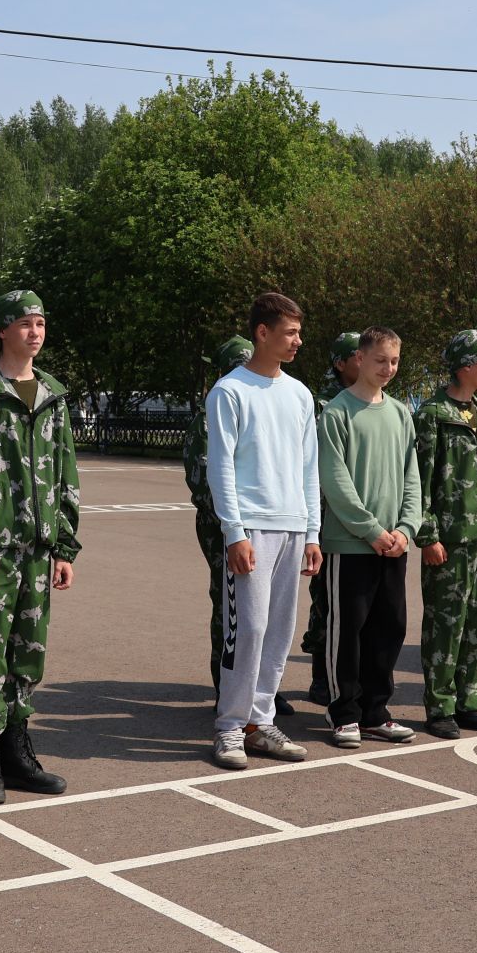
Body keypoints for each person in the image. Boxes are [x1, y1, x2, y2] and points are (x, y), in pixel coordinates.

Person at [0, 290, 81, 800]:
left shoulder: (53, 394)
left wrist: (65, 547)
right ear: (1, 330)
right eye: (24, 323)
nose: (35, 331)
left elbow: (66, 470)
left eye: (41, 322)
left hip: (37, 548)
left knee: (28, 652)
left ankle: (17, 751)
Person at [205, 297, 319, 770]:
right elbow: (221, 468)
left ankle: (260, 722)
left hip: (292, 526)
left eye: (298, 332)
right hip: (251, 526)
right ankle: (230, 728)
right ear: (262, 333)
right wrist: (234, 532)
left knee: (277, 632)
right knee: (246, 631)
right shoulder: (230, 392)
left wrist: (312, 530)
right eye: (289, 332)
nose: (296, 341)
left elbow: (308, 467)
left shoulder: (300, 394)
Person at [318, 326, 422, 747]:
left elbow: (411, 477)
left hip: (393, 545)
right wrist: (372, 530)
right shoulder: (337, 413)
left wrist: (405, 528)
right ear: (360, 359)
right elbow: (335, 480)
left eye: (395, 361)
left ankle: (376, 712)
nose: (388, 368)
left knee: (390, 626)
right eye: (381, 360)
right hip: (351, 545)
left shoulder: (400, 413)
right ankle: (344, 712)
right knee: (348, 630)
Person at [414, 330, 477, 738]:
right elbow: (420, 481)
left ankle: (469, 702)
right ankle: (440, 708)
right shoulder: (433, 415)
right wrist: (428, 534)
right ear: (467, 366)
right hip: (449, 541)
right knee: (445, 625)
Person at [184, 335, 253, 690]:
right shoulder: (209, 415)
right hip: (221, 525)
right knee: (229, 605)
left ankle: (253, 686)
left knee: (255, 607)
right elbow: (203, 480)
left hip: (252, 522)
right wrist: (235, 522)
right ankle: (226, 684)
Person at [300, 331, 360, 705]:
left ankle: (349, 677)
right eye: (359, 355)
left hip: (360, 519)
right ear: (340, 364)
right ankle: (322, 676)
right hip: (324, 519)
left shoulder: (371, 401)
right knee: (325, 600)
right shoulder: (321, 405)